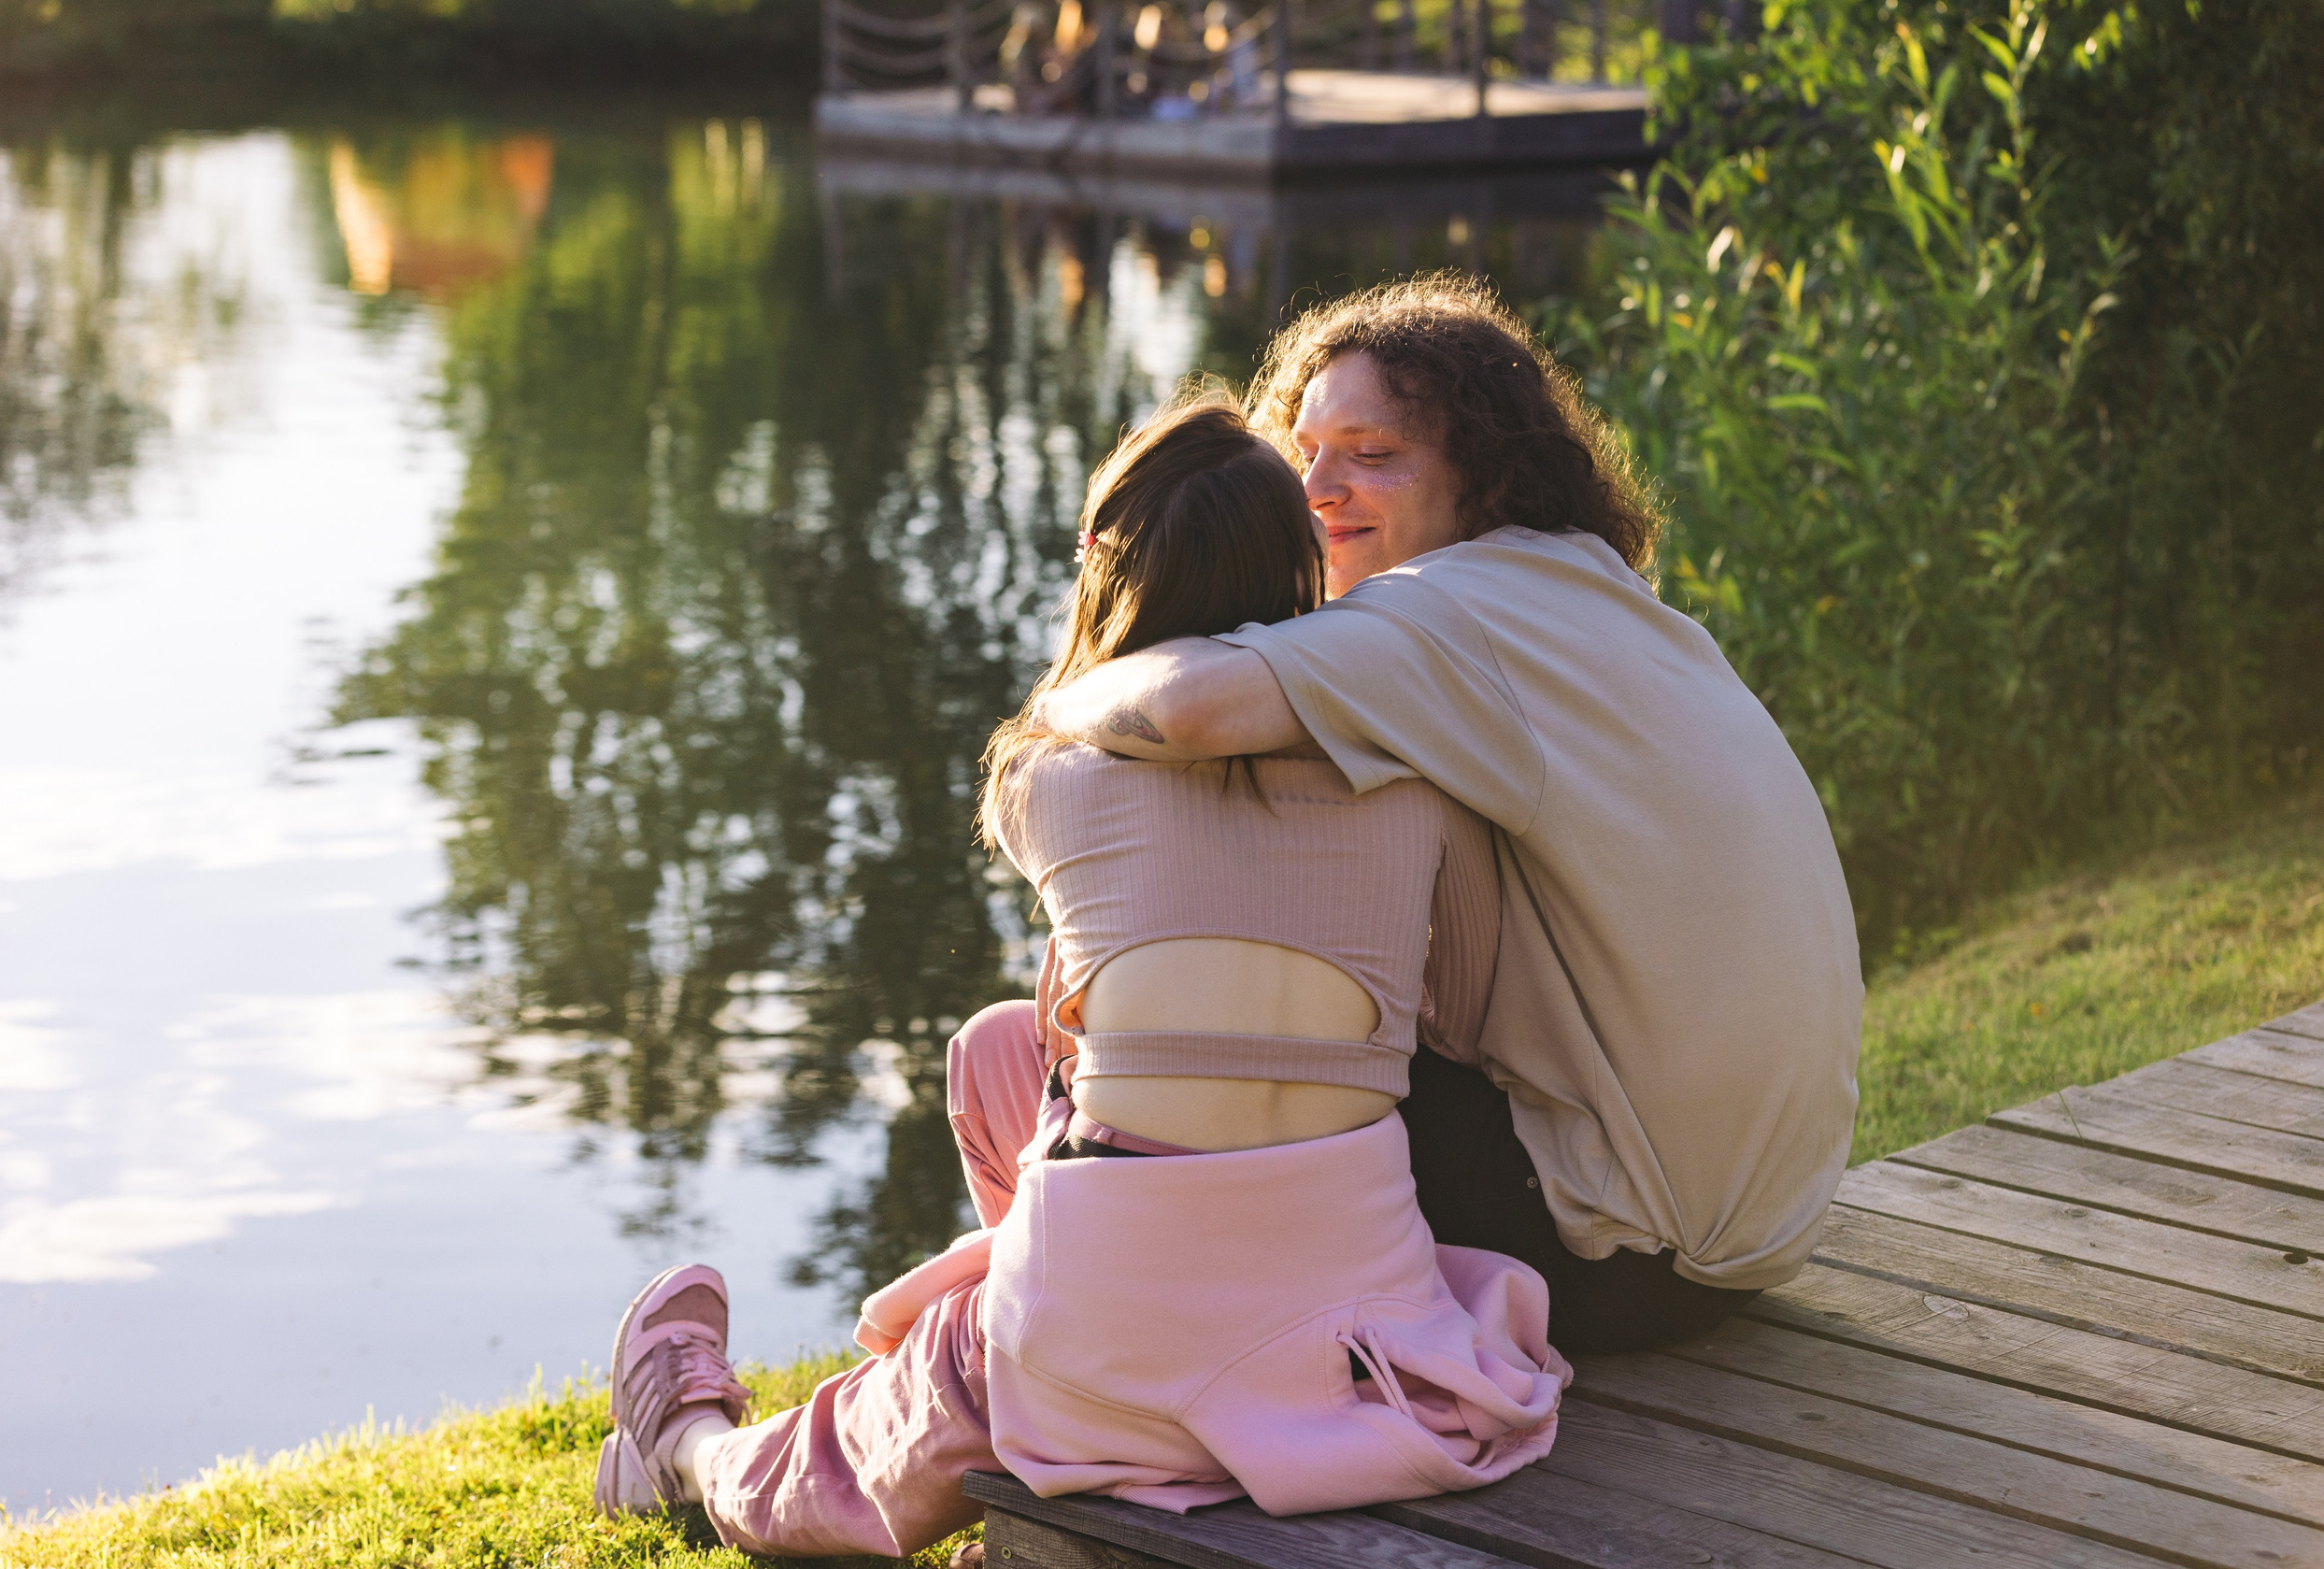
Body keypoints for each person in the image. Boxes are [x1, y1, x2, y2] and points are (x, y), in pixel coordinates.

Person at [590, 394, 1571, 1557]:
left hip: (1101, 1337)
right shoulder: (1415, 787)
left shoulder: (1042, 782)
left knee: (866, 1448)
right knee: (1007, 1046)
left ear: (1109, 573)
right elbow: (1452, 1015)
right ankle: (1093, 1317)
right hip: (1347, 1334)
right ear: (1303, 578)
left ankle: (685, 1446)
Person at [1034, 275, 1863, 1353]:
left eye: (1373, 456)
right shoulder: (1580, 592)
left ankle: (1100, 1345)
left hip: (1612, 1247)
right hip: (1742, 1235)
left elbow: (1187, 710)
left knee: (1210, 1061)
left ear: (1483, 477)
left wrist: (1055, 701)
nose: (1318, 490)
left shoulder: (1443, 614)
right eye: (1303, 455)